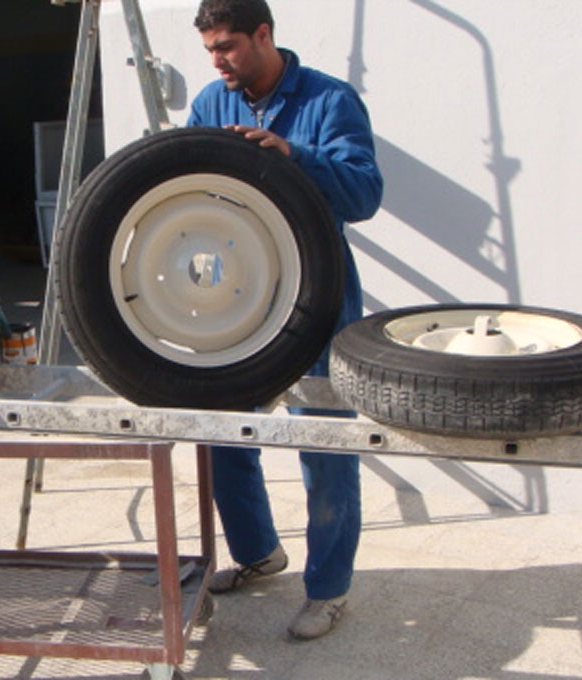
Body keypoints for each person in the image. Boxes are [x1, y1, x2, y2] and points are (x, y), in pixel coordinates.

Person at [185, 0, 384, 640]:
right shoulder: (211, 103)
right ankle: (257, 553)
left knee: (324, 445)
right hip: (236, 297)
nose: (217, 61)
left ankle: (328, 590)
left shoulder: (330, 100)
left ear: (265, 34)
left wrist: (293, 156)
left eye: (228, 46)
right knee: (222, 432)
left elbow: (365, 193)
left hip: (314, 296)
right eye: (211, 49)